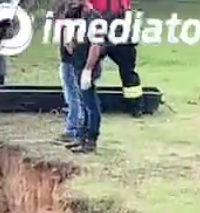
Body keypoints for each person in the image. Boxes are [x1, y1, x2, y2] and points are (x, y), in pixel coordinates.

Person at [90, 0, 142, 117]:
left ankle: (87, 103)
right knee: (128, 72)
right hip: (113, 33)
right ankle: (135, 106)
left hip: (107, 32)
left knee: (89, 69)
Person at [64, 0, 104, 153]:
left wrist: (88, 69)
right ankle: (82, 137)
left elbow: (96, 46)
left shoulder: (94, 19)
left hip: (87, 67)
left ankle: (91, 140)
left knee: (90, 104)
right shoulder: (77, 15)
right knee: (82, 102)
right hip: (77, 64)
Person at [56, 0, 83, 142]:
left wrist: (68, 44)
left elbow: (71, 43)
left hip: (70, 60)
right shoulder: (78, 10)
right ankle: (77, 125)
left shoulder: (74, 11)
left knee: (73, 94)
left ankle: (73, 128)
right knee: (73, 93)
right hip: (71, 60)